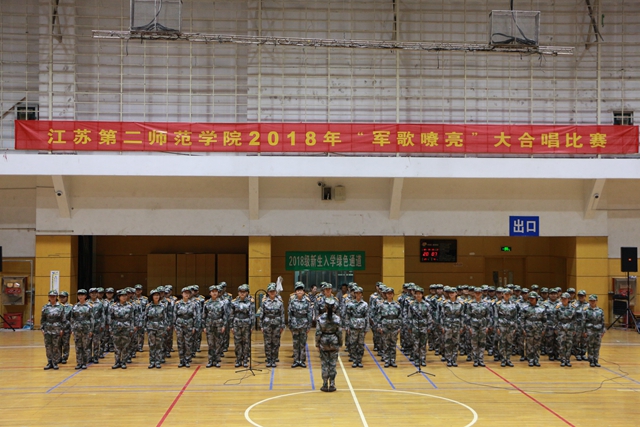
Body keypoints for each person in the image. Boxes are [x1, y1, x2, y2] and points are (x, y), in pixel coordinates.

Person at [315, 298, 342, 392]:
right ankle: (332, 384)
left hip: (324, 342)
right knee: (333, 364)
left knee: (324, 364)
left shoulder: (321, 318)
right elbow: (339, 332)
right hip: (334, 341)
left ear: (325, 307)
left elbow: (318, 333)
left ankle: (325, 384)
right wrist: (340, 343)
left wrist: (317, 343)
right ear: (334, 307)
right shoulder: (337, 318)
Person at [202, 285, 229, 368]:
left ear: (218, 293)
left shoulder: (222, 303)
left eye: (216, 292)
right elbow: (204, 315)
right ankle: (210, 360)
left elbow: (225, 315)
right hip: (209, 324)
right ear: (210, 293)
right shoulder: (206, 303)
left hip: (219, 324)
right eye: (212, 292)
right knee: (210, 343)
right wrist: (204, 326)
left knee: (218, 342)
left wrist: (224, 325)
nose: (214, 293)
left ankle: (217, 360)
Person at [288, 282, 313, 368]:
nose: (299, 291)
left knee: (302, 343)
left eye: (301, 290)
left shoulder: (307, 300)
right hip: (294, 324)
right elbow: (289, 313)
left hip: (304, 324)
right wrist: (290, 325)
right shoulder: (292, 300)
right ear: (295, 292)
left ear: (303, 291)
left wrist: (309, 326)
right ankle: (296, 360)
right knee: (295, 343)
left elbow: (309, 313)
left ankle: (302, 360)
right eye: (297, 290)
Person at [260, 283, 286, 367]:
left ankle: (274, 360)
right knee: (267, 342)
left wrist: (282, 325)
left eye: (273, 291)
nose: (272, 293)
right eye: (270, 291)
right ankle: (268, 359)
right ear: (268, 292)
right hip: (267, 324)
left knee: (275, 343)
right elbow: (262, 314)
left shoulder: (279, 302)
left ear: (275, 292)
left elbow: (282, 314)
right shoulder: (264, 302)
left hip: (277, 324)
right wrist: (261, 326)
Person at [376, 286, 402, 368]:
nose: (389, 295)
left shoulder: (397, 305)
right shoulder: (382, 305)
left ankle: (393, 360)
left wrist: (399, 327)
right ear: (386, 295)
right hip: (385, 327)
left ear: (393, 294)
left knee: (393, 345)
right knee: (386, 345)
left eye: (391, 293)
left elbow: (400, 317)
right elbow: (379, 317)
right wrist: (379, 327)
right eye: (388, 293)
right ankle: (387, 360)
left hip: (394, 327)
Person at [109, 289, 135, 369]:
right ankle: (117, 362)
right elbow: (111, 318)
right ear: (119, 297)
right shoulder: (113, 306)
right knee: (116, 346)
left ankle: (123, 362)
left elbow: (132, 318)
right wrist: (110, 329)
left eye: (125, 296)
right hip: (116, 328)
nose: (124, 297)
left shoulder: (130, 306)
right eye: (122, 296)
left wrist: (132, 329)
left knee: (125, 346)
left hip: (126, 328)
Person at [230, 284, 255, 368]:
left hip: (246, 324)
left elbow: (252, 314)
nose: (242, 293)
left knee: (246, 343)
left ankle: (245, 359)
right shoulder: (234, 302)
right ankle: (238, 359)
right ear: (238, 293)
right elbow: (231, 315)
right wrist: (231, 326)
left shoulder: (250, 302)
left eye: (244, 292)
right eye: (240, 292)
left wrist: (252, 326)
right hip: (236, 324)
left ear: (247, 293)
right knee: (237, 342)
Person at [144, 288, 169, 369]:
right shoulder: (148, 306)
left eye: (158, 295)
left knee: (159, 345)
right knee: (152, 345)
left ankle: (158, 361)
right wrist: (145, 329)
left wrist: (165, 329)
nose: (156, 297)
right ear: (152, 296)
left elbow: (165, 318)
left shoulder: (163, 306)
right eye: (155, 295)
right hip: (151, 327)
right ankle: (152, 362)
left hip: (160, 327)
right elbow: (145, 318)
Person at [406, 286, 431, 367]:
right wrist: (409, 327)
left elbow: (429, 316)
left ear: (422, 295)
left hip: (424, 326)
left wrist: (429, 327)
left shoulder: (426, 304)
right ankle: (416, 359)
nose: (418, 295)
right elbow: (409, 316)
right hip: (415, 326)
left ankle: (423, 359)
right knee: (416, 344)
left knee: (423, 344)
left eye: (419, 294)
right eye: (416, 294)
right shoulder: (412, 305)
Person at [345, 286, 369, 368]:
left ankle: (359, 360)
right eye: (357, 293)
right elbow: (347, 316)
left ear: (362, 294)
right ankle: (355, 360)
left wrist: (367, 328)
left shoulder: (365, 304)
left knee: (361, 344)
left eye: (360, 293)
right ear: (354, 294)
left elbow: (367, 316)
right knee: (353, 344)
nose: (358, 295)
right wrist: (347, 327)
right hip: (353, 326)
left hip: (362, 327)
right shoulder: (350, 304)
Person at [70, 289, 94, 369]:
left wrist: (91, 330)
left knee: (85, 346)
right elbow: (72, 319)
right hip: (77, 329)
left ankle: (84, 362)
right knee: (78, 346)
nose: (80, 297)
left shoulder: (89, 306)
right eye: (79, 295)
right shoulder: (74, 306)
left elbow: (92, 319)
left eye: (82, 295)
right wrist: (72, 329)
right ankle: (79, 362)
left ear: (85, 296)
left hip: (86, 329)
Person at [466, 287, 490, 367]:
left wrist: (487, 326)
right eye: (476, 293)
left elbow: (488, 316)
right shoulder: (470, 304)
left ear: (481, 294)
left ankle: (481, 359)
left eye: (479, 293)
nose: (477, 294)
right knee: (474, 343)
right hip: (474, 325)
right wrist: (469, 327)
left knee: (482, 343)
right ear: (474, 294)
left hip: (483, 325)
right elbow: (468, 316)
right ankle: (475, 360)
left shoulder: (486, 304)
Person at [41, 290, 66, 370]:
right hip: (47, 328)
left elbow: (63, 319)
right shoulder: (45, 307)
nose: (52, 297)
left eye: (54, 296)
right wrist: (42, 328)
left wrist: (62, 329)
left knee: (56, 346)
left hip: (56, 328)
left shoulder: (60, 307)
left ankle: (55, 362)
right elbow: (43, 319)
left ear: (56, 297)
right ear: (48, 297)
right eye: (51, 296)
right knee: (48, 346)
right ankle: (49, 362)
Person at [174, 287, 199, 368]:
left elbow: (195, 316)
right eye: (185, 293)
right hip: (179, 325)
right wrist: (175, 326)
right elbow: (174, 315)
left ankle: (187, 360)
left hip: (189, 325)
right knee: (180, 343)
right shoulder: (177, 304)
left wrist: (194, 326)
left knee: (188, 343)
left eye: (188, 293)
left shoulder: (193, 304)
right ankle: (181, 360)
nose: (186, 294)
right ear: (182, 294)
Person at [521, 292, 547, 367]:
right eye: (530, 298)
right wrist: (523, 329)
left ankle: (536, 359)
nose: (531, 299)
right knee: (529, 345)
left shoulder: (542, 308)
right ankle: (530, 360)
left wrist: (544, 329)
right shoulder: (525, 308)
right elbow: (522, 319)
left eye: (533, 298)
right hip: (528, 328)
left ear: (536, 299)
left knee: (537, 345)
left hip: (538, 329)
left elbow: (544, 320)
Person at [495, 288, 518, 367]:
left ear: (510, 295)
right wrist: (497, 327)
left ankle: (508, 359)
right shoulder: (498, 304)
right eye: (505, 294)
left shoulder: (514, 304)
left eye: (508, 294)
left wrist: (515, 327)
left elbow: (515, 316)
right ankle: (503, 359)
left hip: (511, 326)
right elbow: (496, 316)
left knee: (509, 343)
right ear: (502, 295)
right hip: (502, 326)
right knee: (502, 343)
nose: (507, 296)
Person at [442, 287, 464, 367]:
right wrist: (442, 326)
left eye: (453, 292)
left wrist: (462, 327)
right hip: (447, 325)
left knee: (456, 343)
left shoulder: (461, 304)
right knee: (447, 342)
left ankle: (454, 360)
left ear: (456, 293)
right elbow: (442, 316)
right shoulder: (445, 303)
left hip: (456, 325)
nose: (451, 294)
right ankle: (448, 359)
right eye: (450, 293)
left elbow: (462, 316)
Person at [555, 292, 576, 367]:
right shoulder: (558, 308)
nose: (564, 300)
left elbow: (575, 319)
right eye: (563, 298)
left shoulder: (573, 307)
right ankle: (563, 360)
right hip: (561, 328)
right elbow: (555, 319)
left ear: (568, 299)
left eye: (565, 299)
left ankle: (568, 360)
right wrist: (556, 328)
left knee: (569, 344)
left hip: (570, 328)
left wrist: (574, 329)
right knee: (561, 344)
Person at [584, 294, 605, 367]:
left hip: (598, 330)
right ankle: (591, 361)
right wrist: (584, 331)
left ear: (596, 301)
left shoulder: (600, 310)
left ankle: (596, 360)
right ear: (589, 301)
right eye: (591, 301)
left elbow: (602, 321)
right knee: (590, 346)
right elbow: (583, 322)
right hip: (589, 330)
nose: (592, 302)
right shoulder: (586, 310)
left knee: (597, 346)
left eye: (594, 301)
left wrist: (603, 331)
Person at [88, 288, 106, 363]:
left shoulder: (100, 304)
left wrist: (102, 325)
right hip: (88, 325)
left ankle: (95, 357)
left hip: (97, 325)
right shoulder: (87, 303)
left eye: (95, 293)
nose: (94, 294)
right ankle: (89, 357)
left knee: (96, 342)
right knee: (88, 342)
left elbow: (103, 315)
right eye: (92, 293)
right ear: (89, 294)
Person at [58, 291, 73, 364]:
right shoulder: (57, 306)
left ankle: (65, 357)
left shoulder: (70, 307)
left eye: (63, 297)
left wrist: (71, 328)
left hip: (66, 328)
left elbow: (72, 318)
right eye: (60, 297)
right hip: (57, 328)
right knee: (57, 343)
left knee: (65, 344)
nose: (61, 298)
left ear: (67, 298)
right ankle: (58, 357)